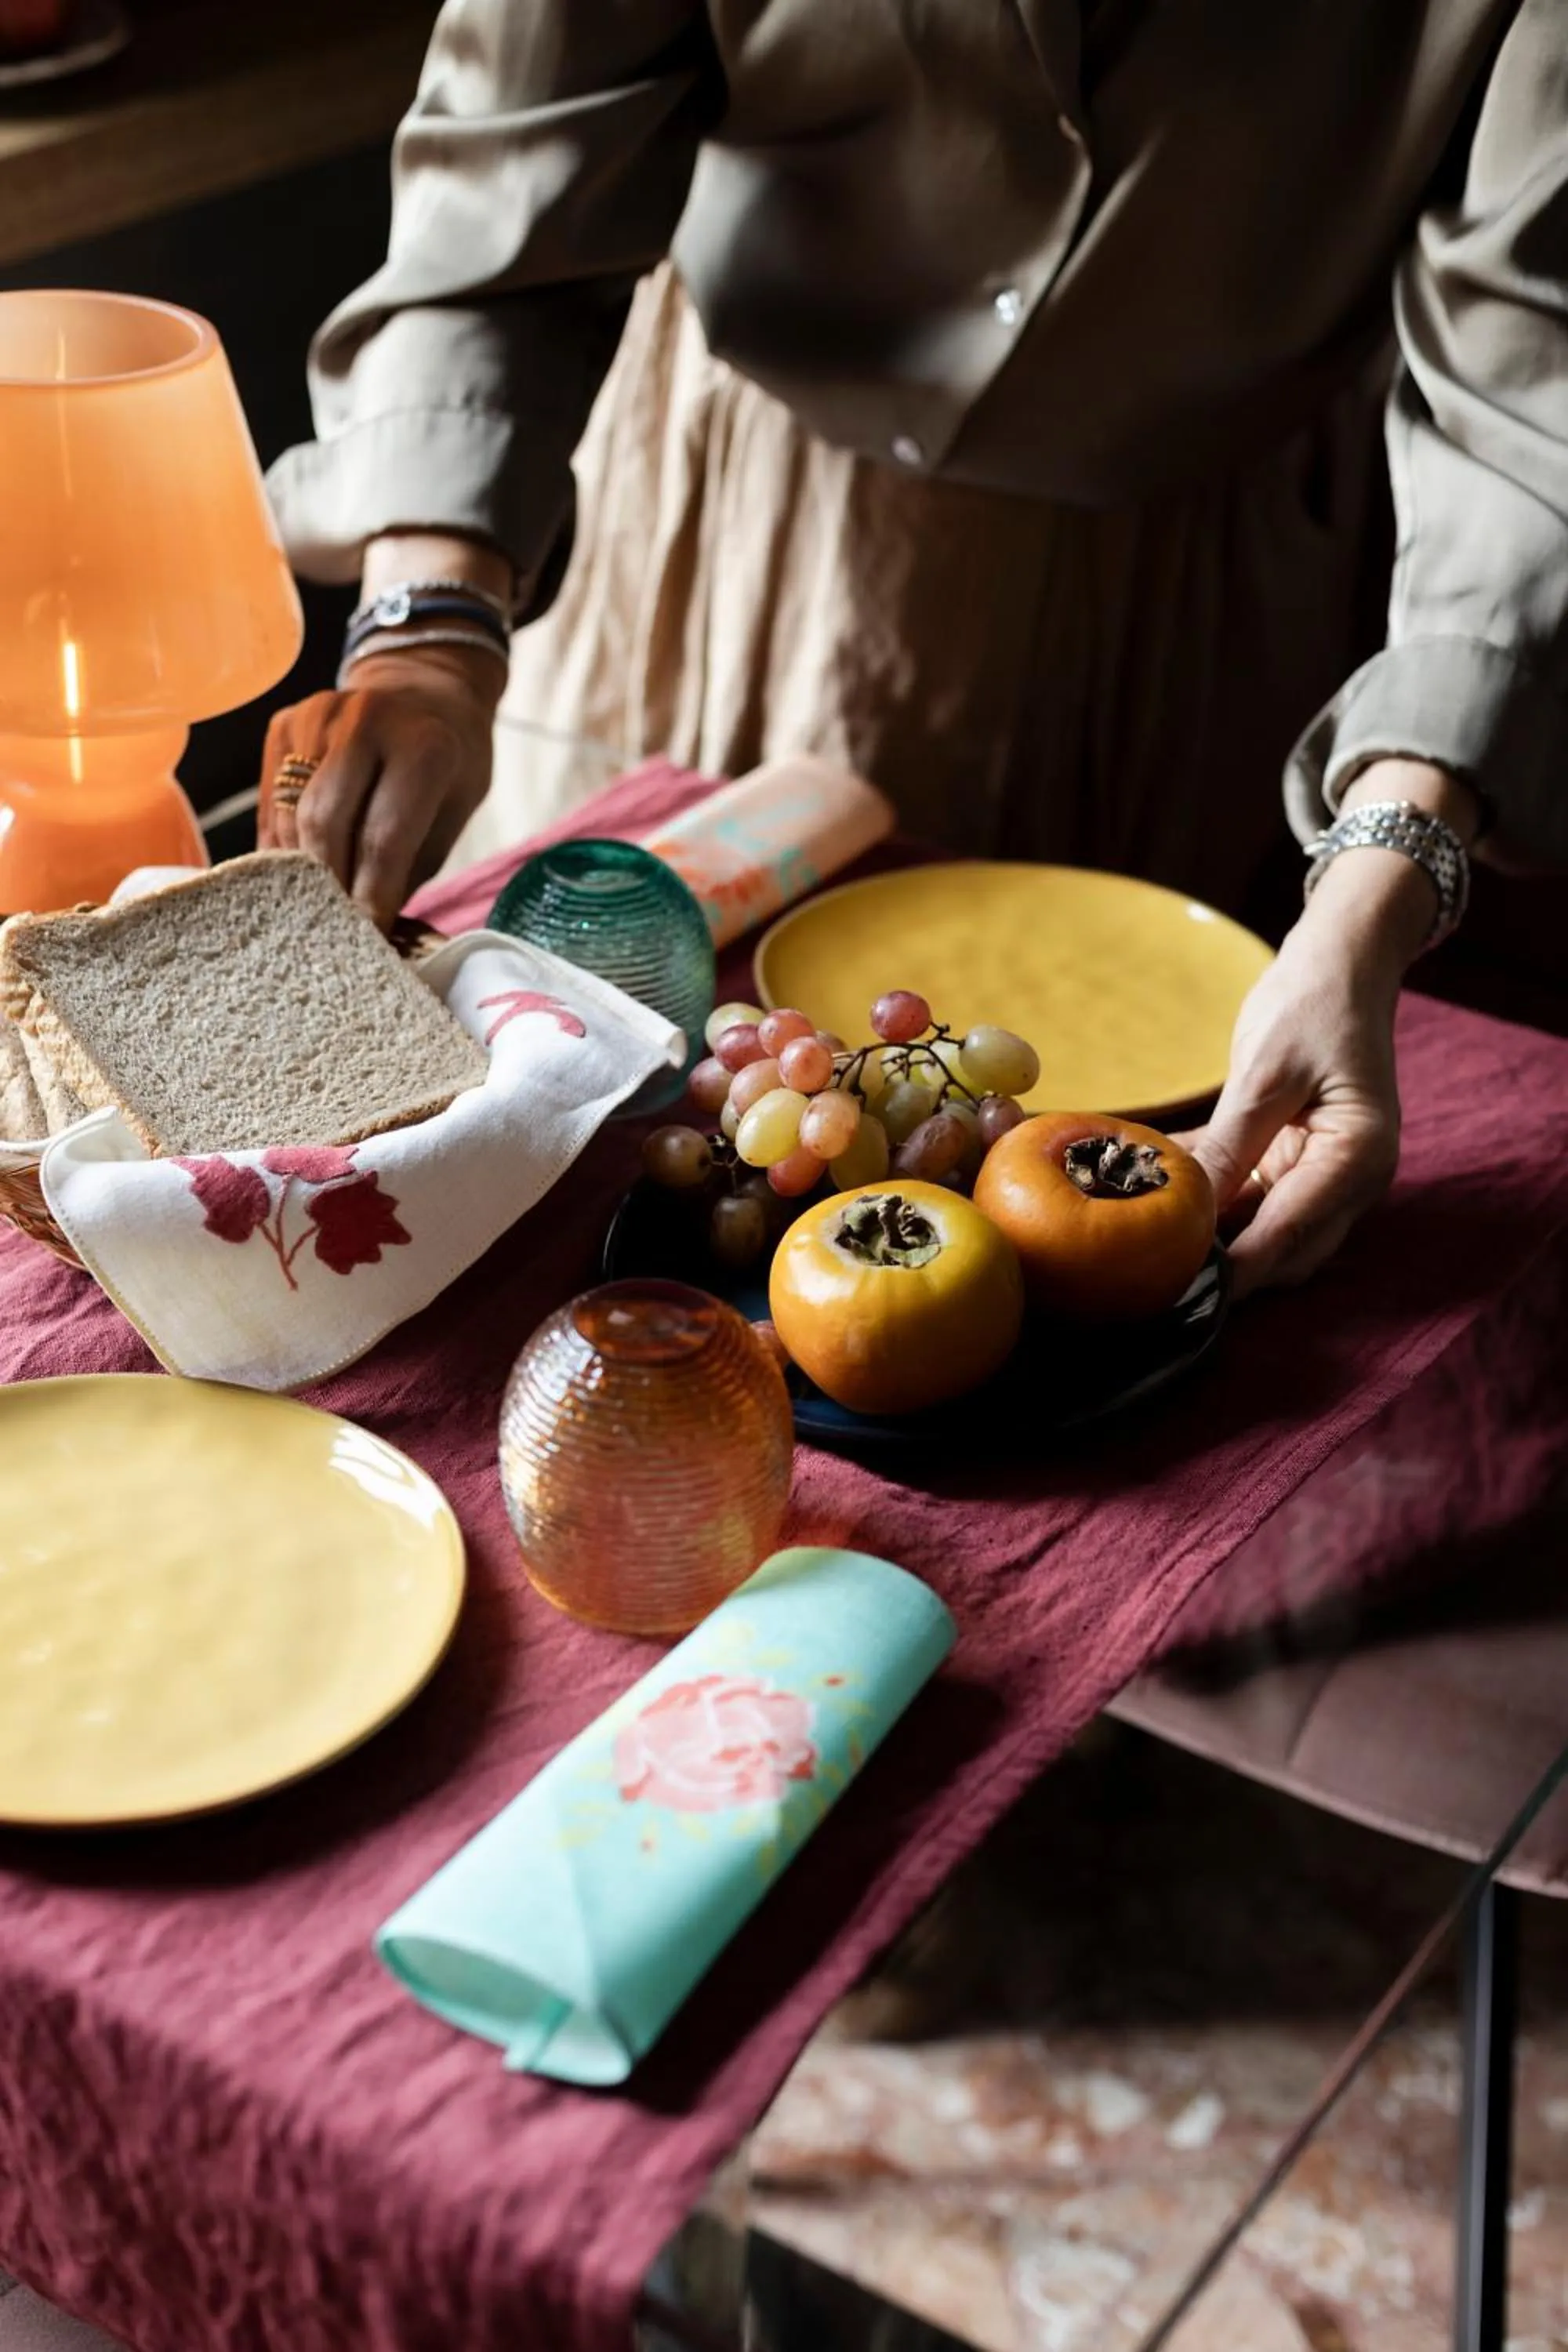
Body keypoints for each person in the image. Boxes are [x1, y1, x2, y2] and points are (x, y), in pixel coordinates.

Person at [261, 0, 1567, 1297]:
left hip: (1208, 587)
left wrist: (1381, 873)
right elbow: (513, 150)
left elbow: (1538, 363)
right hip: (732, 522)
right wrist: (427, 630)